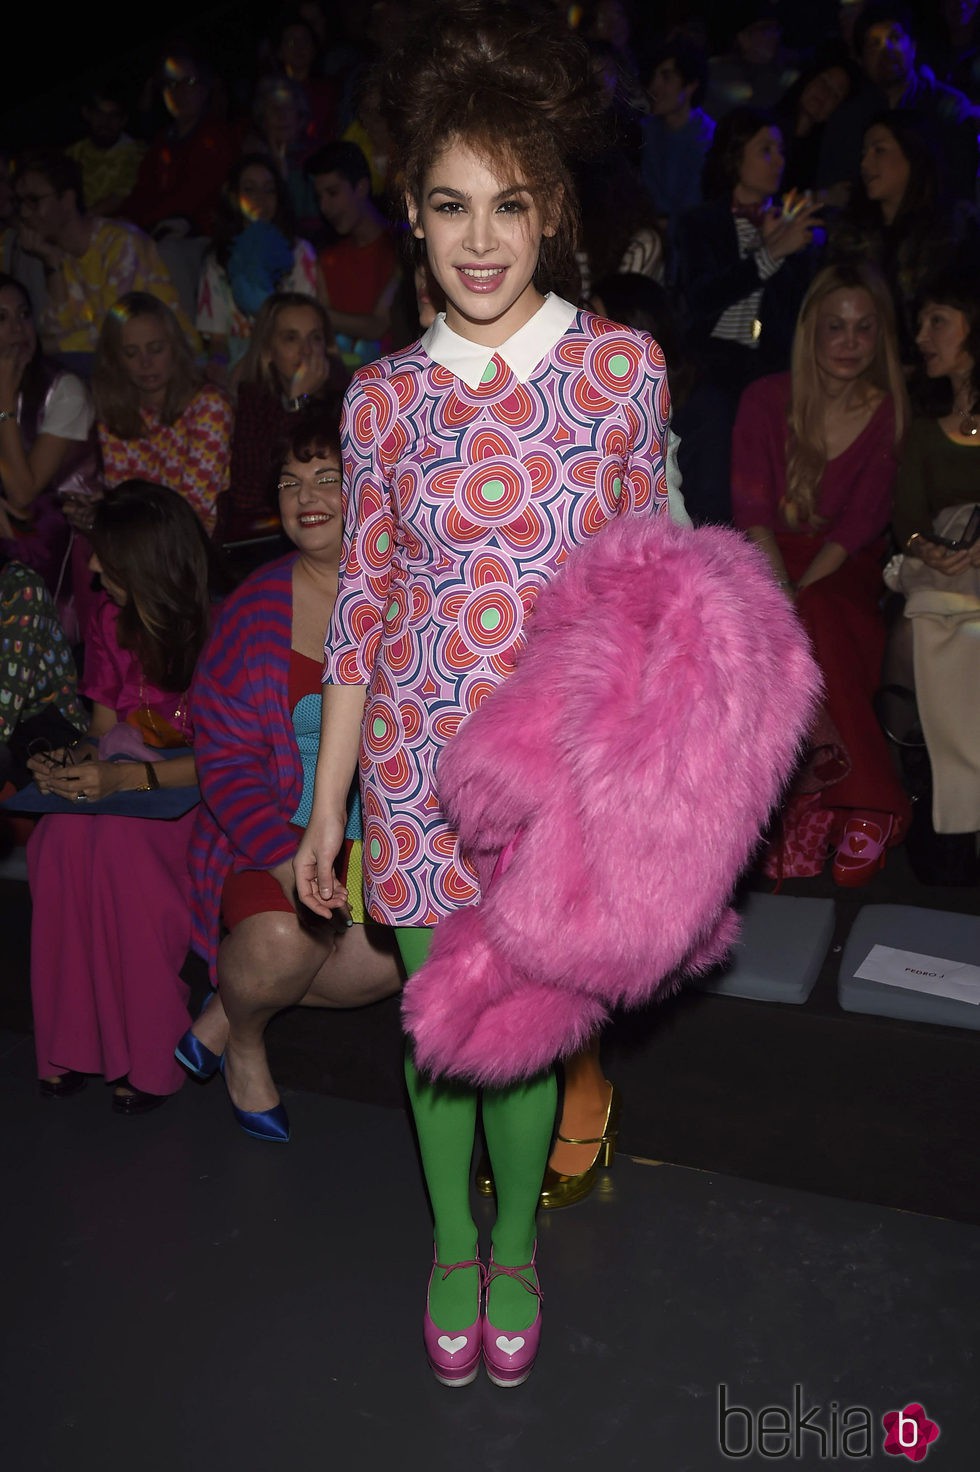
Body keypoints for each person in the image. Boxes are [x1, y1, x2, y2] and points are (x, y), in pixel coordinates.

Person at [294, 0, 669, 1389]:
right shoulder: (381, 400)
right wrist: (325, 809)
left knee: (522, 1037)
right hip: (410, 771)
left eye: (509, 204)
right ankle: (452, 1235)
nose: (481, 239)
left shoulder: (624, 374)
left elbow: (645, 592)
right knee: (442, 1030)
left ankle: (516, 1245)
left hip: (557, 779)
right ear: (410, 211)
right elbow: (364, 615)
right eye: (450, 206)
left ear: (554, 205)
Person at [179, 406, 401, 1140]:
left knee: (398, 958)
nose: (307, 496)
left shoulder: (414, 592)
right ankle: (245, 1045)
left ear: (366, 485)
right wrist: (283, 860)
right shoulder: (253, 612)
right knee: (282, 942)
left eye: (327, 477)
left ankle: (221, 1011)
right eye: (289, 482)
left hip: (378, 852)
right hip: (265, 843)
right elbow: (224, 758)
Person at [26, 482, 212, 1111]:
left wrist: (127, 778)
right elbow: (105, 732)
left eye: (105, 553)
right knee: (55, 842)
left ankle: (152, 1051)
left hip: (196, 792)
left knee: (122, 855)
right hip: (125, 775)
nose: (95, 567)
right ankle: (70, 1045)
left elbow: (231, 759)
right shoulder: (109, 618)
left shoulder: (221, 626)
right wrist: (65, 766)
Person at [732, 261, 912, 884]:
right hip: (766, 555)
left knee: (824, 617)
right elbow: (751, 508)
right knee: (752, 623)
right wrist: (781, 593)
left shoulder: (887, 413)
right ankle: (808, 810)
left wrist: (798, 599)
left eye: (864, 329)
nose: (849, 343)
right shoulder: (764, 398)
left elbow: (857, 526)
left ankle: (868, 804)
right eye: (835, 327)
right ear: (811, 332)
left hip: (843, 566)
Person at [885, 271, 980, 839]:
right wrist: (929, 548)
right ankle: (913, 785)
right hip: (940, 567)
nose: (923, 335)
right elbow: (909, 519)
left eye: (938, 322)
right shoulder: (925, 430)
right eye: (921, 323)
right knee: (906, 632)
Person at [676, 106, 822, 404]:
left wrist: (788, 249)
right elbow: (699, 299)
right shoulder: (702, 222)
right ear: (735, 156)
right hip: (709, 362)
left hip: (770, 368)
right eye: (765, 150)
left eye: (780, 150)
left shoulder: (792, 223)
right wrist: (769, 253)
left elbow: (798, 312)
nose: (778, 161)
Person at [12, 149, 195, 362]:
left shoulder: (120, 242)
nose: (24, 212)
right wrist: (51, 261)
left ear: (67, 200)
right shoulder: (60, 253)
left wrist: (44, 347)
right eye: (20, 202)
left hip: (171, 360)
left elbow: (115, 331)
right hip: (115, 365)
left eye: (34, 201)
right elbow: (57, 328)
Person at [827, 111, 977, 365]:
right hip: (862, 370)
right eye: (864, 153)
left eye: (879, 150)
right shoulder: (849, 235)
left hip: (931, 375)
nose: (865, 164)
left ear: (913, 155)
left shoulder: (953, 231)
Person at [0, 273, 99, 624]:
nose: (18, 328)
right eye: (3, 318)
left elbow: (24, 492)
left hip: (64, 540)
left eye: (24, 314)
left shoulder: (63, 389)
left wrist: (5, 402)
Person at [93, 292, 233, 537]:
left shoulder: (209, 407)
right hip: (140, 542)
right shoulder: (115, 413)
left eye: (155, 349)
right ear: (116, 359)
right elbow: (121, 498)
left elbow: (193, 507)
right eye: (131, 353)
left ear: (175, 348)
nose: (145, 363)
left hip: (195, 545)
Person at [816, 3, 980, 204]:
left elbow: (962, 186)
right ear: (861, 60)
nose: (887, 49)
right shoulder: (847, 118)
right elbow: (836, 189)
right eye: (874, 44)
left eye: (895, 38)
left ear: (913, 47)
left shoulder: (948, 104)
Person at [224, 292, 348, 542]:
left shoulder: (349, 397)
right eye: (291, 338)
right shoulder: (254, 399)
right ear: (269, 349)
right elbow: (248, 493)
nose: (306, 350)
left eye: (315, 338)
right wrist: (295, 405)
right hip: (274, 537)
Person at [196, 154, 326, 381]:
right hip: (238, 360)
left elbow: (308, 323)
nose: (260, 199)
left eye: (269, 190)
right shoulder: (217, 260)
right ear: (234, 197)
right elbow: (218, 342)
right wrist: (217, 365)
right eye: (250, 190)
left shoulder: (299, 252)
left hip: (291, 357)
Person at [306, 140, 401, 368]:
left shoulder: (401, 246)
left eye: (333, 193)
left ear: (361, 188)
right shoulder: (327, 259)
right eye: (319, 197)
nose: (325, 206)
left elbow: (379, 325)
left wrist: (314, 313)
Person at [639, 37, 715, 255]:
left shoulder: (709, 138)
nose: (655, 87)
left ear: (691, 85)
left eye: (667, 77)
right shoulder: (647, 132)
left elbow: (694, 207)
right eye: (653, 76)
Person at [65, 82, 147, 218]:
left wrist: (80, 220)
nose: (105, 122)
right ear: (87, 114)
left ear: (123, 120)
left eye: (113, 116)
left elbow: (121, 196)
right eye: (99, 114)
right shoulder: (73, 153)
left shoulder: (137, 154)